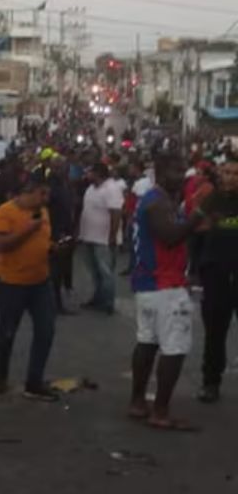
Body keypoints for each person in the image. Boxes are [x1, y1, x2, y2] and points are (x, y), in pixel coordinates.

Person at [127, 155, 205, 430]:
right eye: (176, 170)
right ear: (159, 173)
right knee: (174, 348)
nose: (182, 175)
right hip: (164, 285)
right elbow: (170, 237)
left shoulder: (160, 199)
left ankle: (138, 403)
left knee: (147, 342)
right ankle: (160, 411)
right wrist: (198, 214)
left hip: (152, 285)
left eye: (183, 170)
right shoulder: (156, 201)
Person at [0, 178, 60, 402]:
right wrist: (28, 229)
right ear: (28, 193)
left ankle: (34, 381)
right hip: (11, 283)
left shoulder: (43, 212)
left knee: (46, 330)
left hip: (40, 282)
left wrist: (53, 248)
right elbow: (0, 245)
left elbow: (43, 241)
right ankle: (0, 377)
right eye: (42, 194)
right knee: (7, 332)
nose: (45, 199)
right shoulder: (4, 213)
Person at [197, 154, 238, 403]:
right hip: (215, 273)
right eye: (227, 173)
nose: (230, 178)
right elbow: (196, 229)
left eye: (235, 174)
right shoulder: (211, 199)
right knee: (214, 332)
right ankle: (211, 382)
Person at [78, 163, 124, 314]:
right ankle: (97, 297)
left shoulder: (112, 188)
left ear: (98, 173)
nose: (87, 175)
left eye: (90, 172)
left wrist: (112, 236)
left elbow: (116, 214)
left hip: (104, 239)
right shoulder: (91, 188)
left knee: (105, 272)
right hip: (89, 236)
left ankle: (108, 302)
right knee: (95, 271)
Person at [45, 155, 77, 315]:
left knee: (62, 267)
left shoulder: (64, 184)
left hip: (65, 229)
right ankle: (53, 302)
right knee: (56, 269)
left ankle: (57, 300)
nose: (65, 170)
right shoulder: (51, 186)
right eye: (61, 167)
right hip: (57, 231)